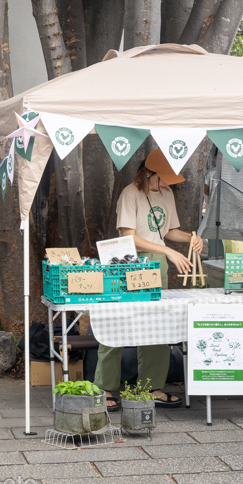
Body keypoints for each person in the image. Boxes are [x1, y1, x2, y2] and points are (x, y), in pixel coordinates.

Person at [95, 148, 203, 411]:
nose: (166, 184)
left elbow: (169, 231)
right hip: (128, 263)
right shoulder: (130, 194)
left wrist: (192, 238)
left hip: (157, 265)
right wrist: (166, 249)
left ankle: (150, 388)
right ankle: (106, 387)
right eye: (162, 178)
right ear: (148, 172)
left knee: (158, 325)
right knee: (117, 322)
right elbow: (128, 237)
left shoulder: (166, 194)